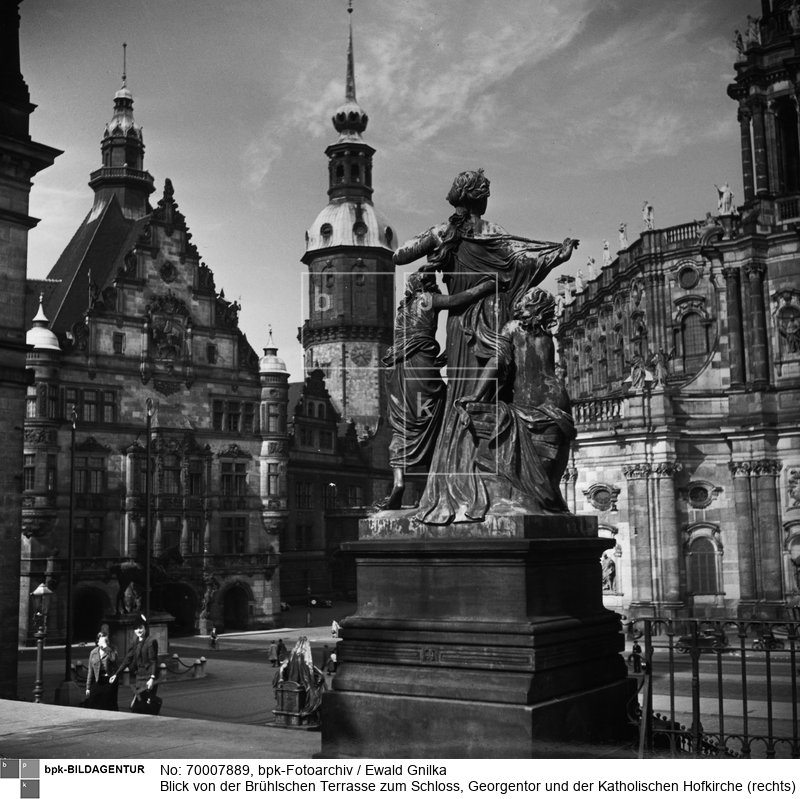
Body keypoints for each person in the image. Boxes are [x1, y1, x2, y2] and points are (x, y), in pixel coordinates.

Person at [394, 169, 578, 524]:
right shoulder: (494, 234)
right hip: (494, 317)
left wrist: (436, 241)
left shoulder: (445, 232)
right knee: (496, 391)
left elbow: (400, 255)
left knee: (464, 394)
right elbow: (526, 261)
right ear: (482, 199)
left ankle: (457, 480)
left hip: (463, 323)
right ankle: (495, 480)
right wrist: (559, 254)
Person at [376, 269, 497, 509]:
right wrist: (486, 286)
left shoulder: (403, 310)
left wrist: (433, 359)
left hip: (400, 371)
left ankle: (398, 484)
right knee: (436, 413)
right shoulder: (426, 299)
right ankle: (442, 477)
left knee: (403, 425)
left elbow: (414, 341)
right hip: (420, 368)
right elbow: (457, 300)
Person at [110, 616, 161, 714]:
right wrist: (116, 674)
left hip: (150, 676)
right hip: (140, 676)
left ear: (145, 628)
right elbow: (127, 659)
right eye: (136, 628)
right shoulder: (134, 642)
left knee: (145, 703)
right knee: (140, 704)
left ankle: (152, 717)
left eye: (141, 627)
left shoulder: (151, 641)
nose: (139, 630)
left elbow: (153, 661)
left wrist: (152, 678)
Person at [84, 628, 119, 711]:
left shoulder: (112, 650)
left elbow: (114, 660)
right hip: (97, 680)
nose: (104, 643)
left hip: (109, 681)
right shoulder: (93, 652)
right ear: (98, 642)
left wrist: (106, 648)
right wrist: (88, 688)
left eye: (106, 641)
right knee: (94, 703)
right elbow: (90, 671)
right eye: (102, 641)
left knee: (108, 705)